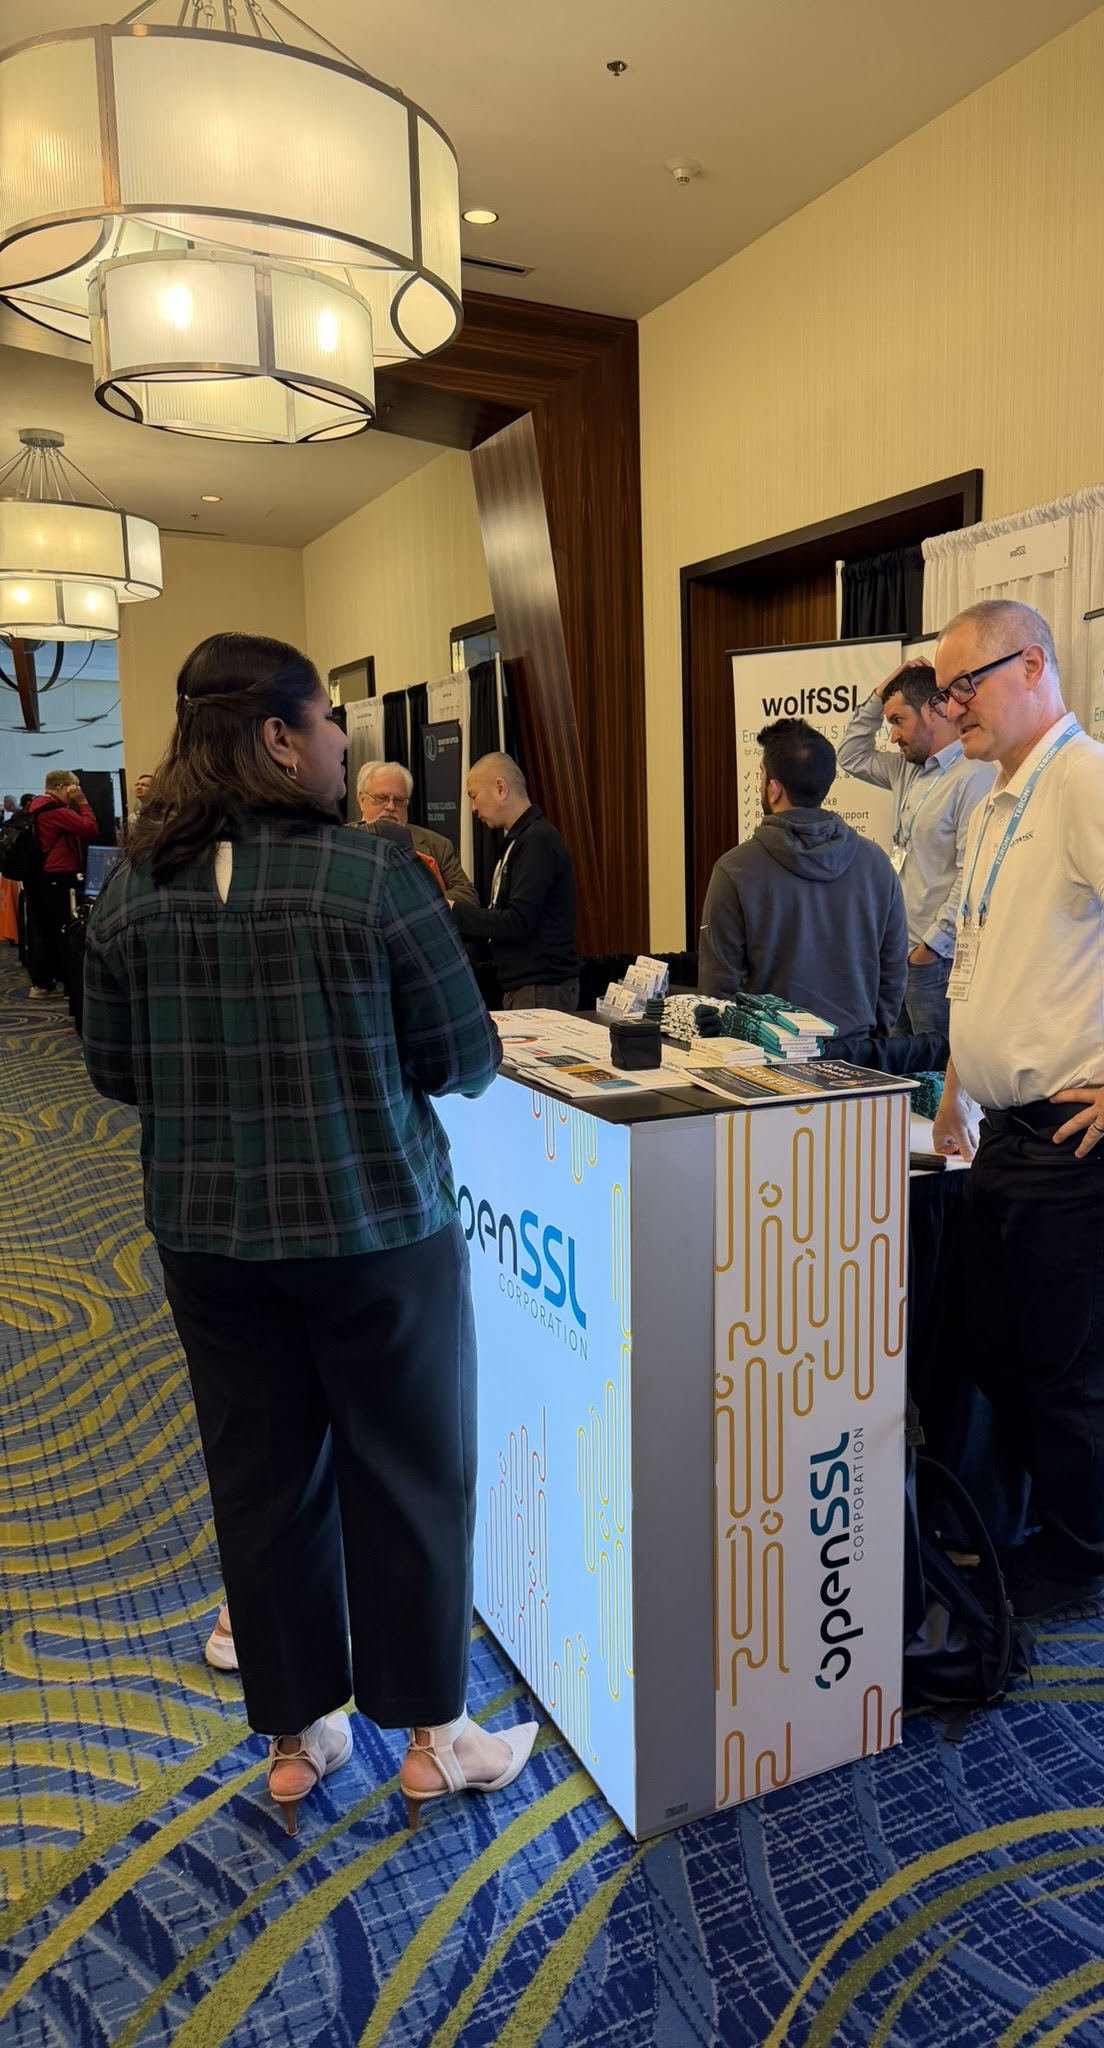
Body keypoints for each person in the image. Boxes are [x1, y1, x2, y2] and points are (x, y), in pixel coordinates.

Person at [81, 632, 534, 1834]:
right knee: (411, 1471)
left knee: (261, 1480)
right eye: (333, 721)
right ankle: (434, 1735)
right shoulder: (375, 876)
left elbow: (117, 1072)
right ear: (280, 738)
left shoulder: (129, 887)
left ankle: (295, 1737)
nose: (347, 744)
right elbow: (466, 1060)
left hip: (208, 1240)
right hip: (375, 1227)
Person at [929, 599, 1104, 1627]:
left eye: (968, 682)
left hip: (1080, 1126)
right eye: (945, 687)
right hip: (1009, 1124)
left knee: (1067, 1362)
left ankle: (1080, 1560)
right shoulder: (997, 797)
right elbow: (986, 954)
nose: (950, 702)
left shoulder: (1085, 777)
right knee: (999, 1346)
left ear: (1035, 665)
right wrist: (960, 1081)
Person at [698, 717, 907, 1051]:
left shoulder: (734, 870)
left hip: (765, 1060)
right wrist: (867, 1036)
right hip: (857, 1058)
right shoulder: (876, 864)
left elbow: (718, 988)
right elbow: (894, 969)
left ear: (773, 788)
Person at [836, 659, 994, 1037]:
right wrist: (884, 690)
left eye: (898, 721)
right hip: (898, 955)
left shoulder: (974, 776)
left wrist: (932, 948)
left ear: (934, 710)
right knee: (901, 1076)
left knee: (934, 1079)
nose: (892, 736)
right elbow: (849, 754)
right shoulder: (907, 767)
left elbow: (971, 874)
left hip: (936, 962)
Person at [454, 752, 579, 1011]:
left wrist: (453, 910)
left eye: (474, 795)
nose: (473, 808)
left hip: (540, 989)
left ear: (501, 788)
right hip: (525, 987)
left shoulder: (537, 840)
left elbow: (517, 922)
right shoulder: (519, 839)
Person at [354, 758, 477, 907]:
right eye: (382, 798)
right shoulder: (340, 839)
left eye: (399, 800)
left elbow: (468, 896)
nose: (391, 807)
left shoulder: (436, 845)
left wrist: (414, 900)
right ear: (362, 800)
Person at [26, 772, 97, 1000]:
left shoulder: (35, 807)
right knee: (65, 931)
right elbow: (90, 828)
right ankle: (70, 984)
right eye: (73, 788)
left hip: (37, 877)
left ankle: (42, 983)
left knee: (41, 930)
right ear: (64, 787)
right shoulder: (56, 811)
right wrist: (83, 802)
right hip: (57, 878)